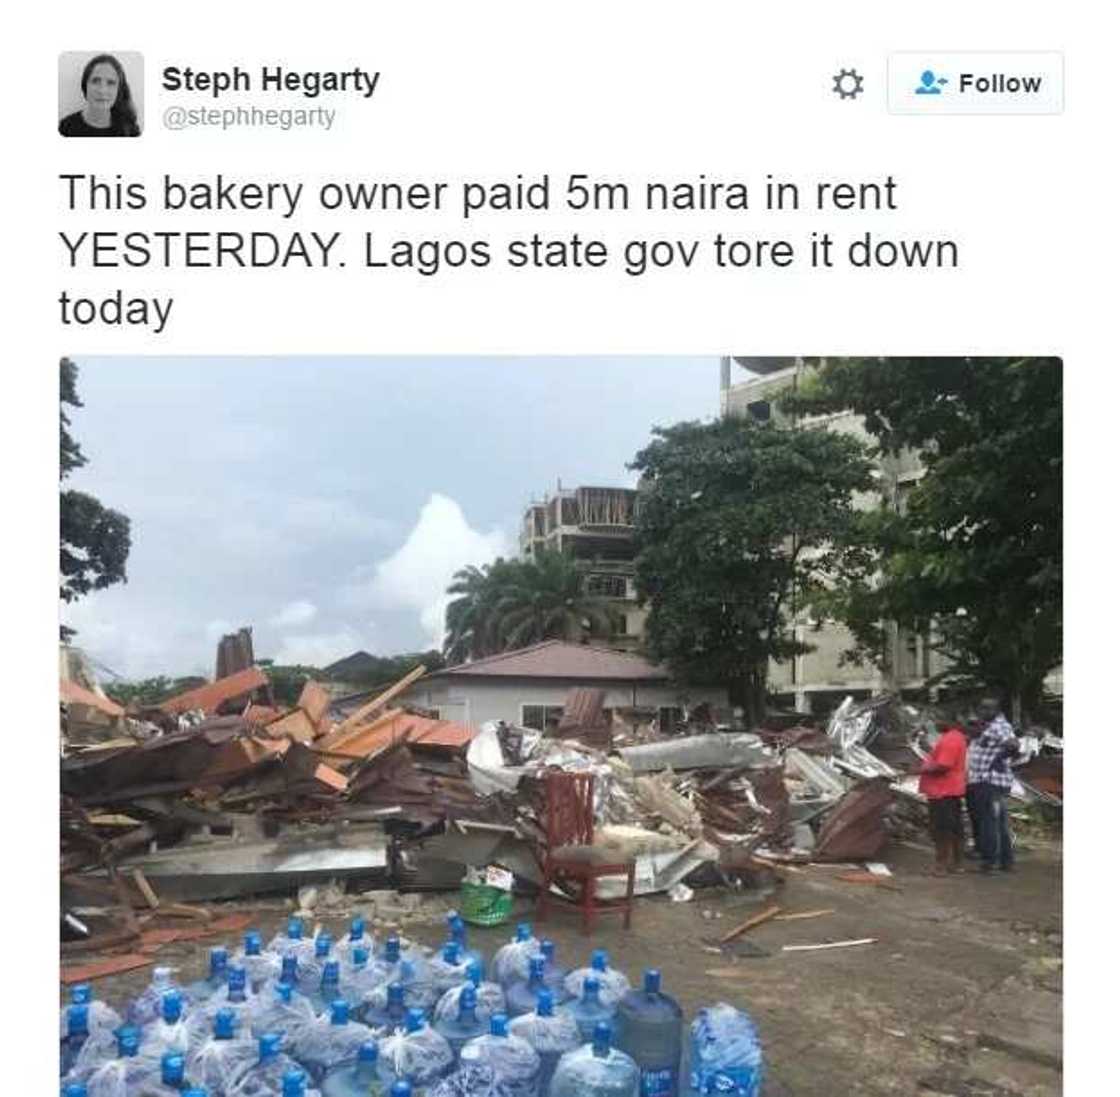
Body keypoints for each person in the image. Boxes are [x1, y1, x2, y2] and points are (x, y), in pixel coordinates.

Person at [966, 699, 1020, 873]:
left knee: (988, 822)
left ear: (996, 710)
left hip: (990, 781)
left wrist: (999, 759)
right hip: (989, 781)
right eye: (981, 708)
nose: (982, 711)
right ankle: (1006, 862)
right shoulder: (990, 727)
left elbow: (1014, 745)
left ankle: (990, 863)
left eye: (986, 708)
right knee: (999, 823)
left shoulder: (999, 726)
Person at [917, 721, 968, 875]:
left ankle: (941, 866)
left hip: (942, 790)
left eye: (938, 720)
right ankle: (957, 864)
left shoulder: (949, 740)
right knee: (954, 827)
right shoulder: (956, 737)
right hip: (951, 789)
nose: (935, 724)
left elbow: (943, 766)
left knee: (941, 829)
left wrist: (920, 769)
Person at [59, 54, 140, 137]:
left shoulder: (131, 130)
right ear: (85, 86)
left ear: (119, 89)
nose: (102, 91)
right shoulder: (65, 128)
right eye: (95, 81)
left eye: (111, 83)